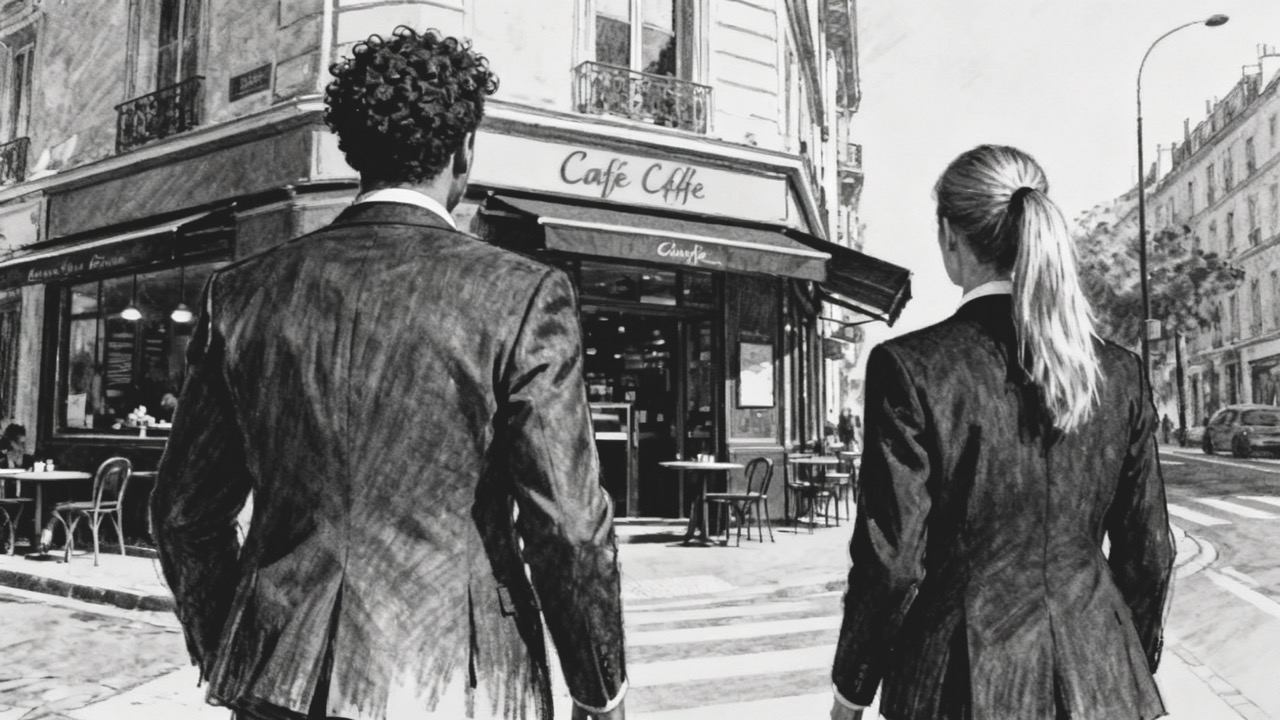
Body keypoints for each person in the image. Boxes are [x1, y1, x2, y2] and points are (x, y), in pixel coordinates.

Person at [152, 27, 627, 720]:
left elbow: (182, 512)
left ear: (355, 150)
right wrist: (599, 689)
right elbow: (569, 527)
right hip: (464, 680)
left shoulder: (244, 293)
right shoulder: (522, 294)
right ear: (464, 148)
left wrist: (236, 641)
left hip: (282, 678)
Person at [830, 145, 1174, 720]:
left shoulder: (911, 366)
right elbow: (1150, 551)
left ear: (951, 239)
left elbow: (891, 563)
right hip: (1103, 680)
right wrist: (1117, 660)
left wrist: (851, 689)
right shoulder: (1117, 371)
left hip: (959, 684)